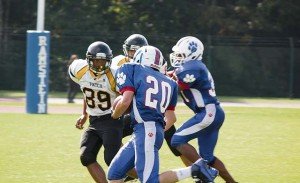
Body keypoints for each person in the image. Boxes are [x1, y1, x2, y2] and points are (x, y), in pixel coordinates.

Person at [107, 45, 218, 183]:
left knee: (150, 181)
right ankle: (197, 168)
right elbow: (171, 118)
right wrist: (155, 129)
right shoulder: (170, 82)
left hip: (146, 130)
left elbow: (125, 101)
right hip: (147, 130)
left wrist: (114, 114)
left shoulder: (131, 68)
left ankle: (195, 169)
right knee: (114, 174)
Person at [112, 34, 192, 168]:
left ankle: (197, 173)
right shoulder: (121, 64)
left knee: (176, 145)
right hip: (133, 111)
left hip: (154, 112)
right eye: (131, 50)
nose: (134, 54)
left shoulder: (153, 64)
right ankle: (129, 171)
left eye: (136, 50)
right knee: (113, 137)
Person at [169, 36, 237, 183]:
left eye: (180, 54)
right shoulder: (193, 66)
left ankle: (204, 173)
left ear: (191, 55)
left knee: (176, 140)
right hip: (212, 112)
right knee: (208, 158)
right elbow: (175, 78)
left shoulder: (192, 66)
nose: (176, 57)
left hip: (208, 112)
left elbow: (176, 86)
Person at [69, 41, 123, 183]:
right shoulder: (80, 70)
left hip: (111, 119)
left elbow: (126, 99)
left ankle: (149, 179)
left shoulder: (115, 75)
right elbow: (88, 92)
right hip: (94, 121)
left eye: (103, 61)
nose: (99, 64)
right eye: (96, 60)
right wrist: (85, 113)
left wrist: (118, 116)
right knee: (86, 156)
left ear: (109, 61)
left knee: (112, 160)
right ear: (88, 60)